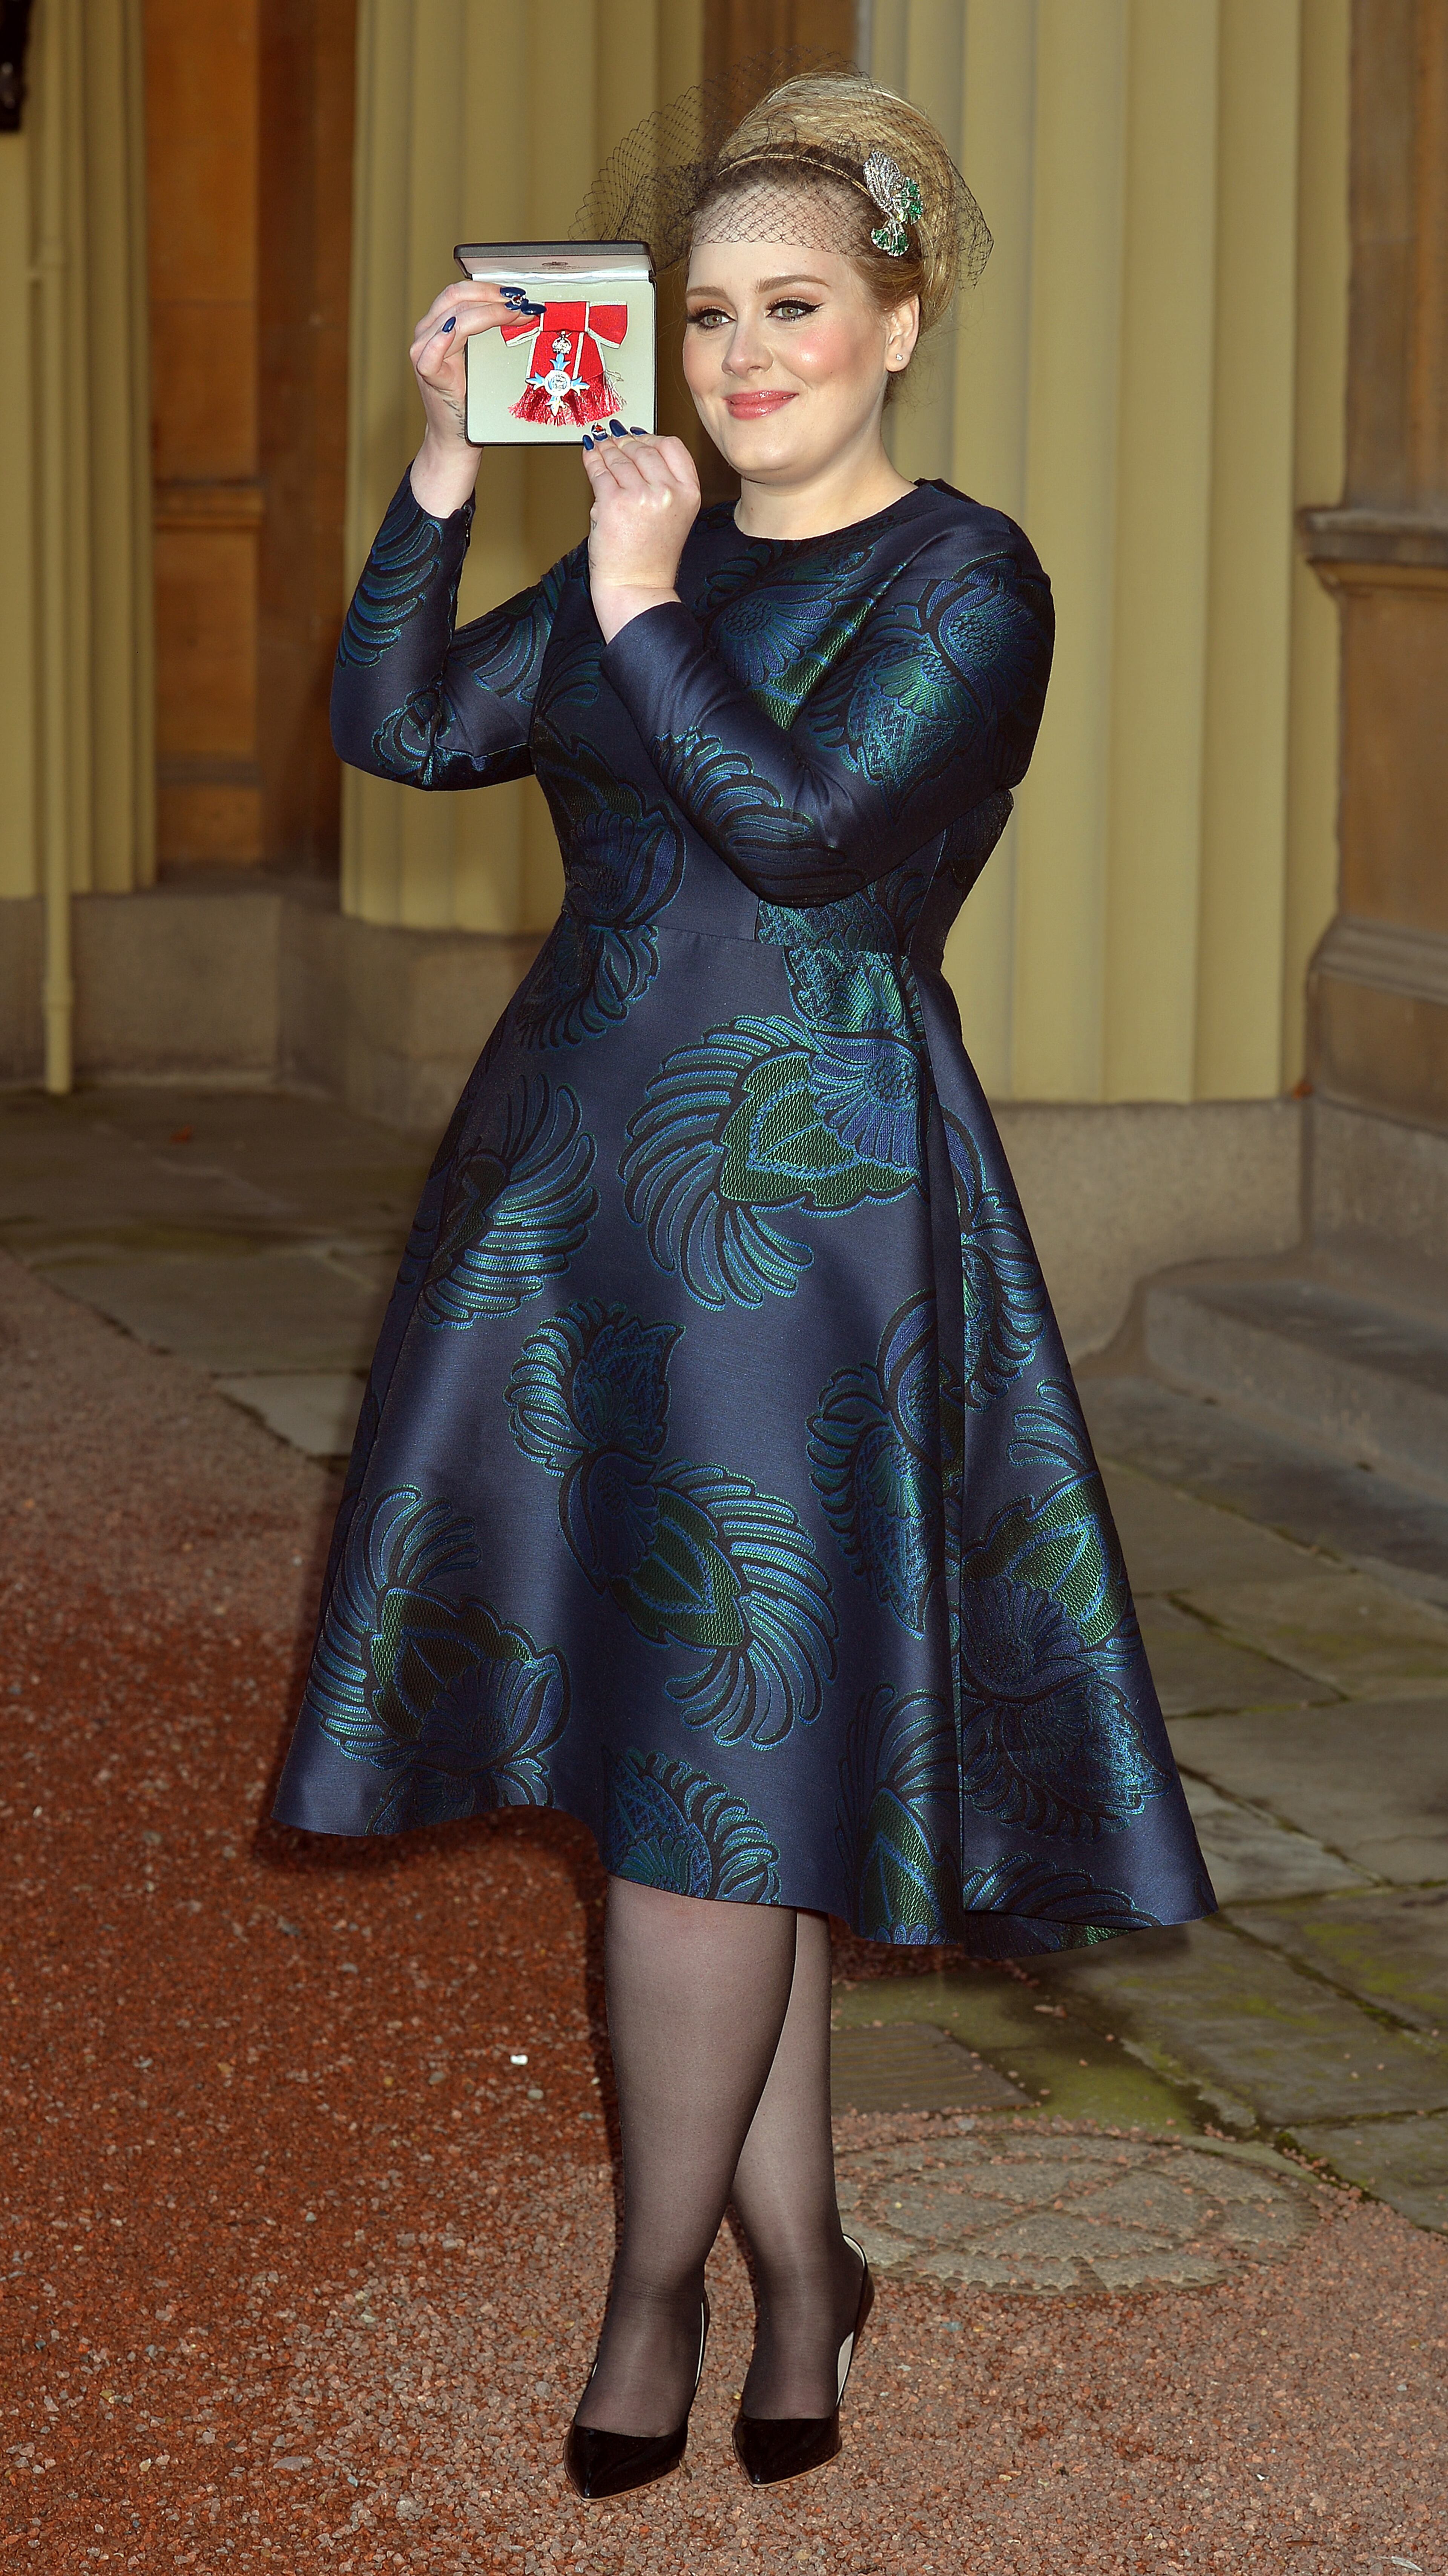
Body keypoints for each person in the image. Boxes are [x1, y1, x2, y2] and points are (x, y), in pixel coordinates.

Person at [273, 69, 1213, 2501]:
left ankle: (655, 2297)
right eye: (707, 316)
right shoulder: (639, 543)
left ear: (899, 320)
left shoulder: (966, 580)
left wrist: (645, 600)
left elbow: (801, 835)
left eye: (796, 306)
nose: (745, 354)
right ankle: (801, 2268)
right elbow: (398, 723)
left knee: (714, 1772)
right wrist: (444, 476)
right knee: (715, 1775)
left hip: (807, 1224)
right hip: (577, 1207)